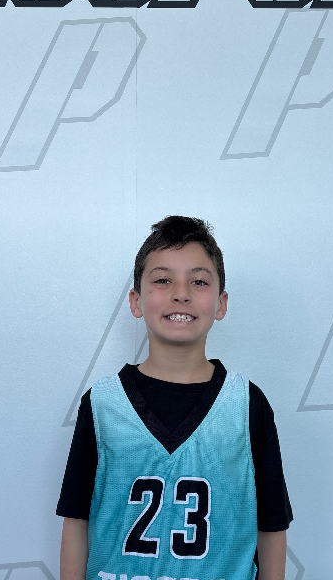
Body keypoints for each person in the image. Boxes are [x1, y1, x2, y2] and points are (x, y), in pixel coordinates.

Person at [57, 215, 293, 580]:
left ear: (221, 304)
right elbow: (76, 521)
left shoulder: (247, 404)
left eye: (198, 281)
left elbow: (272, 525)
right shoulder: (102, 404)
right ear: (136, 301)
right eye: (163, 280)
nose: (181, 293)